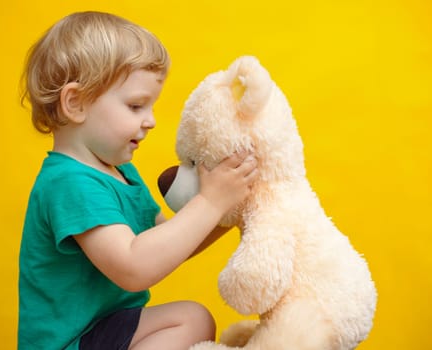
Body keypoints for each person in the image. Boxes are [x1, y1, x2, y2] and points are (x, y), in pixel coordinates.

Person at [18, 11, 258, 350]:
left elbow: (163, 241)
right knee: (193, 320)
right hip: (72, 343)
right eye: (135, 106)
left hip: (105, 330)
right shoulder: (68, 183)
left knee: (192, 319)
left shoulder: (120, 172)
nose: (151, 121)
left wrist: (226, 211)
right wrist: (211, 202)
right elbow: (133, 267)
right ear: (75, 103)